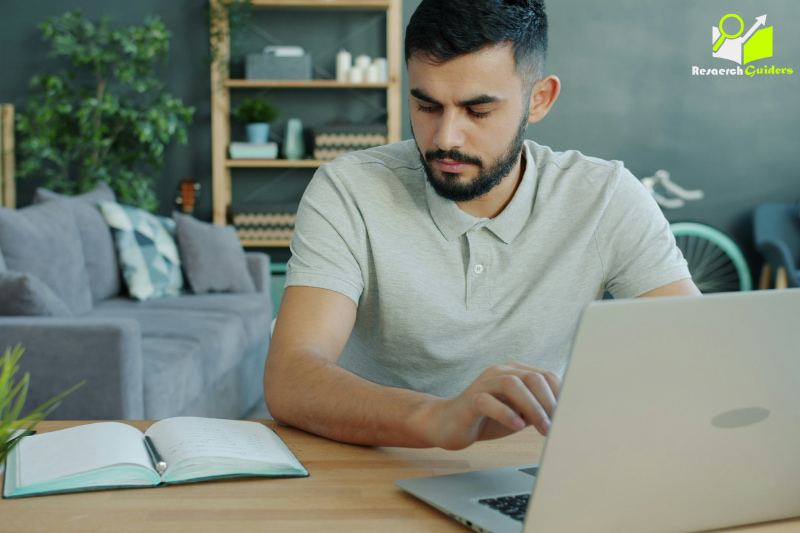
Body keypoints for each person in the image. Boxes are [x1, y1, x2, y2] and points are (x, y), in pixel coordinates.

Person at [263, 0, 700, 450]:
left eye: (478, 111)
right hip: (369, 461)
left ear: (539, 100)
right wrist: (437, 417)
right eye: (427, 106)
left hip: (528, 467)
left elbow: (701, 350)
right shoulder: (349, 189)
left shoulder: (605, 197)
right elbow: (290, 378)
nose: (445, 138)